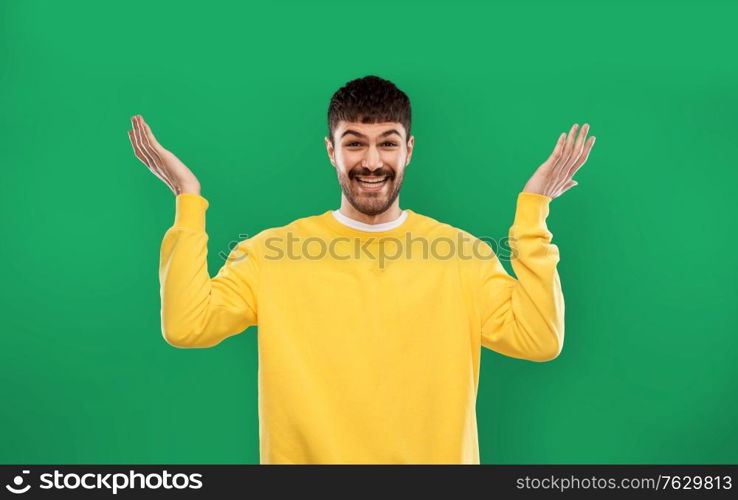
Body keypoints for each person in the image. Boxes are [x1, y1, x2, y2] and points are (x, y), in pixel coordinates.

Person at [127, 75, 596, 464]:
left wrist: (533, 215)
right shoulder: (271, 254)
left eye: (387, 143)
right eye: (354, 144)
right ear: (331, 151)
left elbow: (540, 339)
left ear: (408, 149)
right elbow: (187, 326)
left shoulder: (462, 255)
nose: (372, 162)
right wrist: (187, 199)